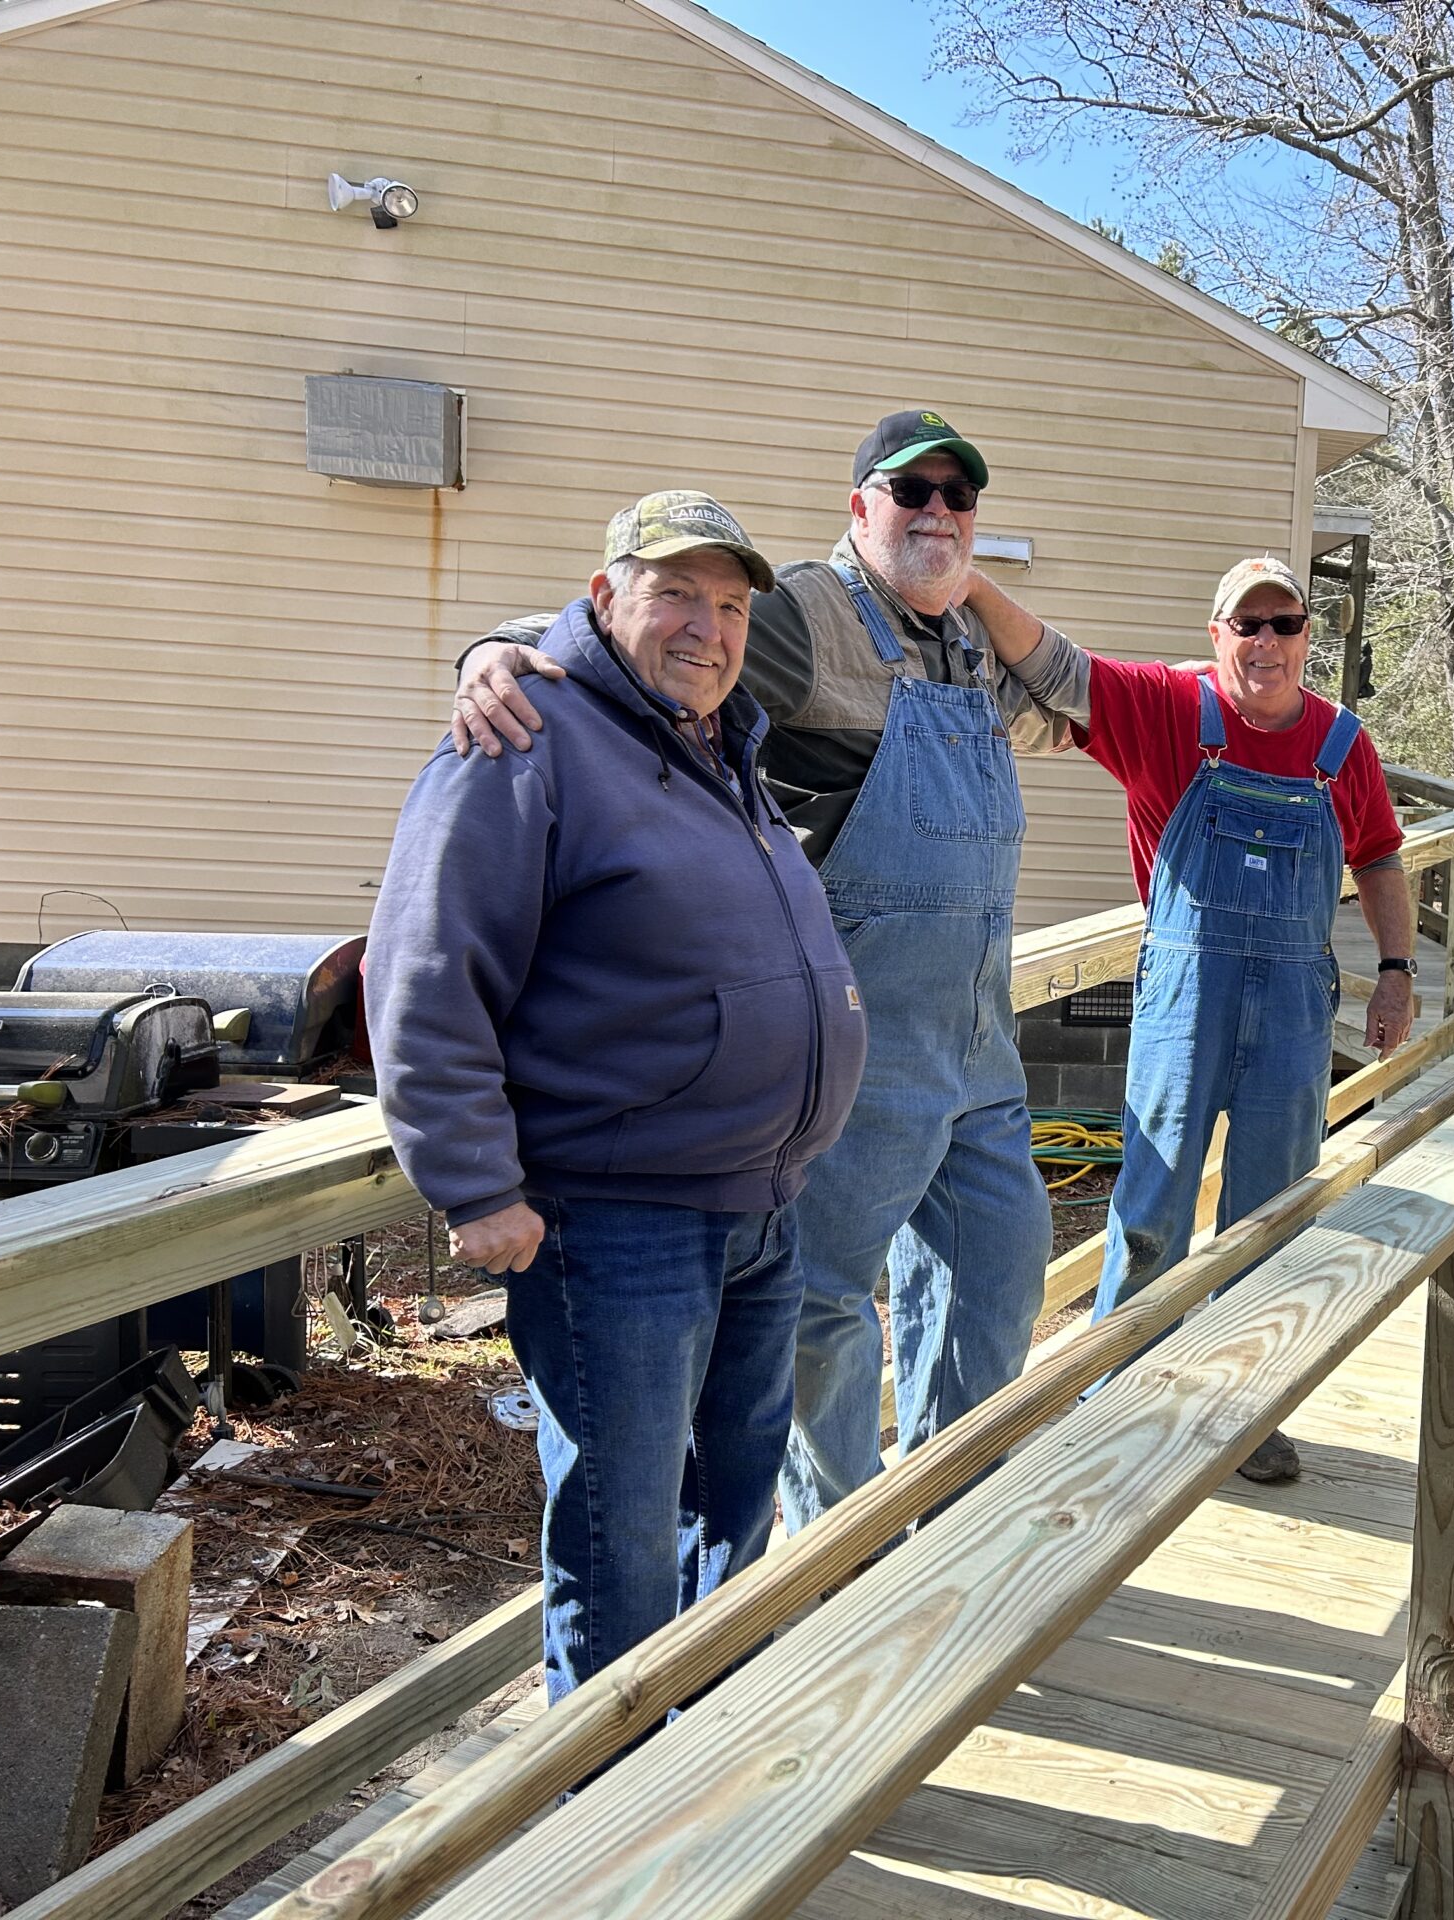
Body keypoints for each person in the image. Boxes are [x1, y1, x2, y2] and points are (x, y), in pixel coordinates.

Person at [447, 412, 1064, 1531]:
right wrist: (491, 649)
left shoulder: (968, 642)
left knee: (1001, 1272)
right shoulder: (805, 615)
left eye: (956, 495)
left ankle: (950, 1508)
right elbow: (634, 639)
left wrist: (975, 593)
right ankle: (839, 1534)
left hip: (978, 1038)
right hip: (864, 1032)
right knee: (824, 1308)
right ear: (858, 506)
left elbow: (1072, 697)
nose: (934, 509)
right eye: (907, 491)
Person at [365, 491, 866, 1700]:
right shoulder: (525, 737)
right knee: (622, 1534)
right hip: (617, 1220)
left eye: (731, 605)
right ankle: (606, 1825)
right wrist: (475, 1182)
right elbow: (427, 966)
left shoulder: (717, 741)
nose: (707, 626)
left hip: (758, 1208)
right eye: (674, 594)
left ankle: (690, 1739)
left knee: (733, 1504)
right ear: (602, 599)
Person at [958, 556, 1417, 1485]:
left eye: (1284, 624)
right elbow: (1053, 665)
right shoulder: (1169, 710)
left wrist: (1400, 973)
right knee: (1150, 1207)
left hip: (1294, 1007)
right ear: (1217, 636)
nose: (1266, 643)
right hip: (1184, 997)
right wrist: (966, 580)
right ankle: (1115, 1399)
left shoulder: (1342, 745)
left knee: (1272, 1212)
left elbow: (1377, 859)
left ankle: (1246, 1411)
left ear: (1306, 638)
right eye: (1246, 625)